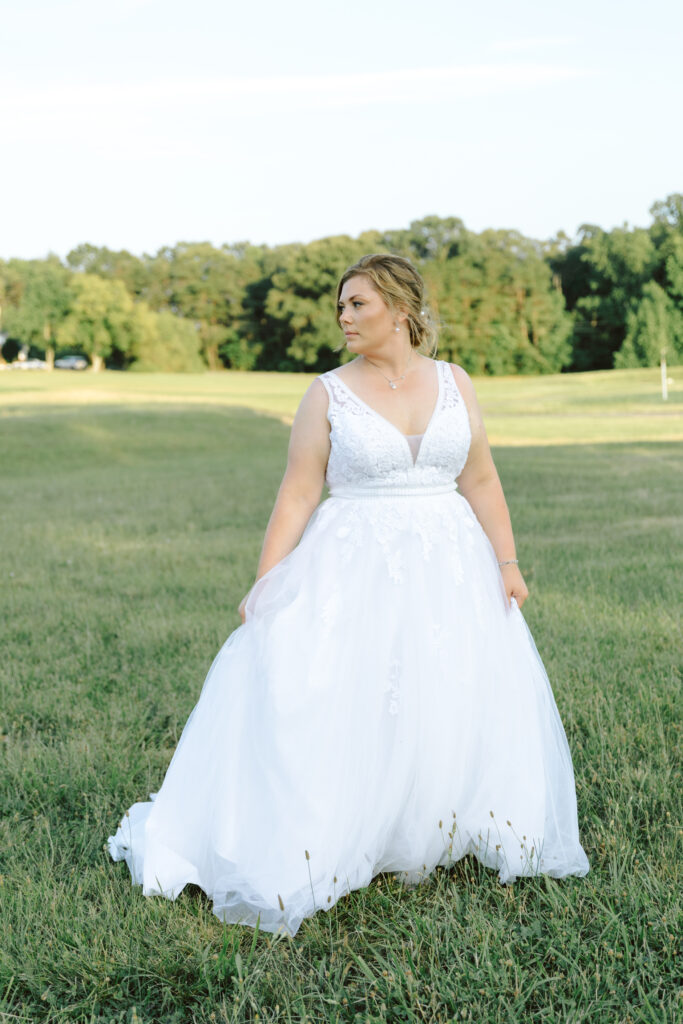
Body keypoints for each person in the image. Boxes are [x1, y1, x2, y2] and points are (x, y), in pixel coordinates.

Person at [109, 253, 590, 936]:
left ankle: (435, 816)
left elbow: (480, 478)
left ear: (399, 308)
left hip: (451, 562)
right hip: (355, 561)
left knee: (447, 688)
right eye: (340, 306)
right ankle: (343, 824)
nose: (343, 317)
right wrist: (266, 581)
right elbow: (300, 491)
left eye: (356, 304)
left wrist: (505, 561)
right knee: (352, 688)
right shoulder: (326, 393)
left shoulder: (455, 382)